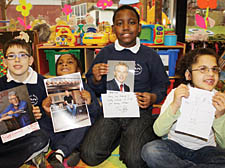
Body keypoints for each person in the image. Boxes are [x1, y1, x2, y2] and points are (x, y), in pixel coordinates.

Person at [79, 5, 170, 168]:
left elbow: (162, 84)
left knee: (134, 160)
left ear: (139, 28)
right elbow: (94, 87)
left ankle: (133, 136)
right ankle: (121, 136)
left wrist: (153, 97)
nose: (126, 27)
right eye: (120, 23)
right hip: (111, 111)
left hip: (139, 112)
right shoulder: (105, 53)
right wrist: (96, 78)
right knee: (89, 156)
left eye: (132, 22)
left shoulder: (150, 55)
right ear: (113, 29)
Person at [141, 48, 225, 168]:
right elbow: (159, 131)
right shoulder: (177, 93)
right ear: (188, 75)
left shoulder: (220, 99)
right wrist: (175, 105)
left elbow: (223, 144)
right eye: (203, 69)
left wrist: (220, 116)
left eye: (215, 69)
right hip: (175, 146)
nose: (211, 74)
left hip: (206, 150)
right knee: (151, 150)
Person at [42, 53, 100, 168]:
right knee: (42, 122)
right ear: (56, 70)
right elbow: (47, 114)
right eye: (60, 63)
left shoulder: (85, 87)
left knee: (88, 121)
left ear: (78, 70)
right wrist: (47, 110)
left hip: (77, 127)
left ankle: (60, 153)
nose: (64, 64)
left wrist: (90, 102)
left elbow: (97, 113)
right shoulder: (51, 87)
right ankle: (70, 150)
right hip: (60, 129)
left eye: (70, 62)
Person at [0, 39, 49, 168]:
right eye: (11, 56)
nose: (17, 60)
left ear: (31, 60)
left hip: (30, 135)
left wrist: (42, 112)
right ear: (4, 62)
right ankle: (31, 155)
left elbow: (51, 112)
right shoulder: (1, 84)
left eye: (22, 55)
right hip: (6, 135)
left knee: (41, 138)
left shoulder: (43, 83)